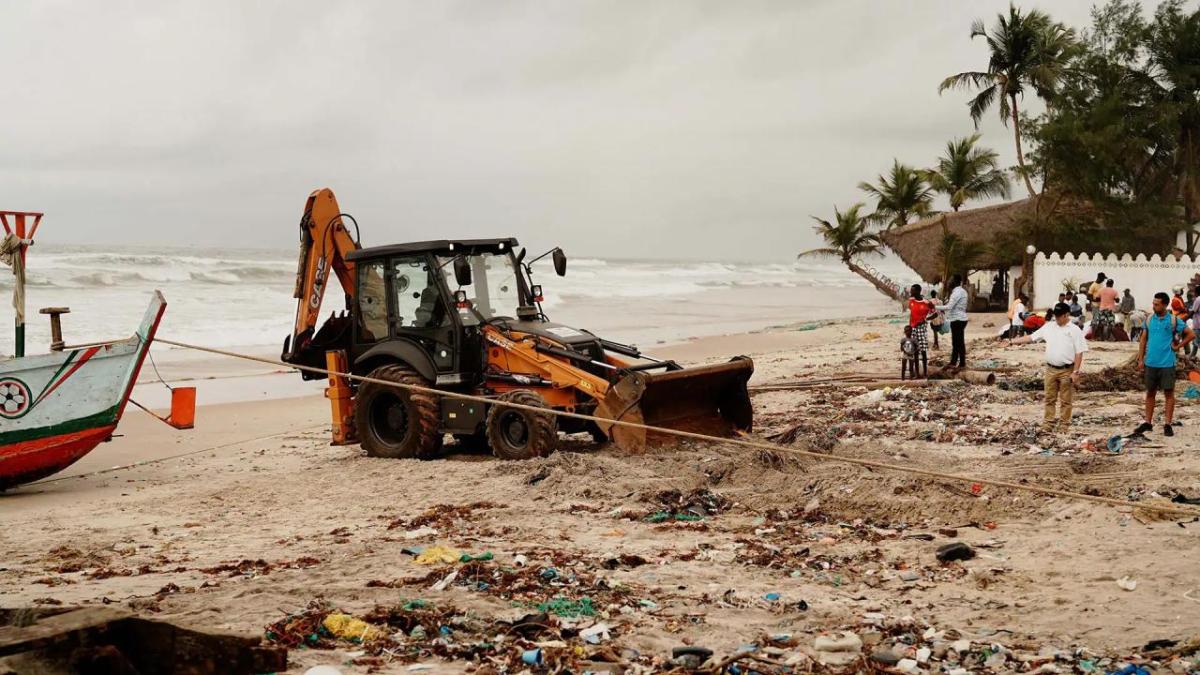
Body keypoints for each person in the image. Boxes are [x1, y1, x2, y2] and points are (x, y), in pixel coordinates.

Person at [1008, 302, 1088, 433]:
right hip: (1051, 369)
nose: (1056, 319)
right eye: (1055, 316)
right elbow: (1031, 337)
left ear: (1066, 315)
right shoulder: (1049, 327)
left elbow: (1079, 352)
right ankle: (1048, 424)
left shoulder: (1074, 330)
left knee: (1065, 400)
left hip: (1067, 370)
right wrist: (1011, 342)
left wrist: (1076, 372)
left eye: (1059, 316)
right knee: (1049, 398)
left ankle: (1064, 425)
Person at [1133, 292, 1195, 437]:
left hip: (1167, 363)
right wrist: (1141, 359)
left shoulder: (1173, 320)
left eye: (1157, 304)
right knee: (1150, 393)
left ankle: (1167, 424)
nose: (1154, 306)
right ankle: (1148, 422)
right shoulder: (1149, 319)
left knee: (1169, 393)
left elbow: (1191, 334)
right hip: (1150, 363)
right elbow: (1143, 340)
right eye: (1153, 304)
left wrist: (1178, 346)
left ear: (1165, 305)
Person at [937, 274, 969, 368]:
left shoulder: (957, 293)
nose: (949, 282)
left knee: (958, 342)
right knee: (956, 342)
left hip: (958, 320)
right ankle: (954, 362)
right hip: (958, 319)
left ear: (955, 281)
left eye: (951, 279)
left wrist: (934, 307)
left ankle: (961, 363)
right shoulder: (959, 291)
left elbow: (949, 307)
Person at [907, 284, 932, 378]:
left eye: (912, 290)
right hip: (913, 329)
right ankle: (916, 373)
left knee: (923, 351)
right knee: (914, 352)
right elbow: (911, 315)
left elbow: (935, 314)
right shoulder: (911, 301)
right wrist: (909, 326)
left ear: (918, 291)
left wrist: (924, 321)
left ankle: (925, 372)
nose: (911, 292)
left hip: (922, 329)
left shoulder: (926, 302)